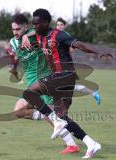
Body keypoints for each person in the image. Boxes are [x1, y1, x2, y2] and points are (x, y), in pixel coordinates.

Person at [22, 9, 113, 159]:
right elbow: (30, 33)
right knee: (63, 116)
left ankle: (56, 121)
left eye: (37, 24)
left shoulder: (59, 34)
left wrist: (98, 52)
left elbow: (79, 44)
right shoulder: (38, 35)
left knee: (29, 93)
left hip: (64, 75)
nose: (35, 26)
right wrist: (25, 35)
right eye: (33, 23)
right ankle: (91, 143)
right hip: (61, 78)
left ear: (45, 23)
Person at [7, 13, 80, 154]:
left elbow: (49, 31)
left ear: (26, 27)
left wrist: (27, 35)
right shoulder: (13, 42)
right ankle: (79, 135)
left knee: (54, 116)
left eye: (18, 29)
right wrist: (14, 68)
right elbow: (16, 56)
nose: (15, 32)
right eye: (13, 29)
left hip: (45, 79)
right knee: (19, 111)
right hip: (31, 83)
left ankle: (73, 144)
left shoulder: (35, 34)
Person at [56, 17, 101, 105]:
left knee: (62, 86)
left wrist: (60, 50)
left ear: (65, 26)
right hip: (61, 65)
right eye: (57, 25)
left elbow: (73, 49)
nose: (59, 27)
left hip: (65, 66)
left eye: (61, 25)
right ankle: (93, 93)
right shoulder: (56, 35)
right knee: (72, 86)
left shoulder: (65, 35)